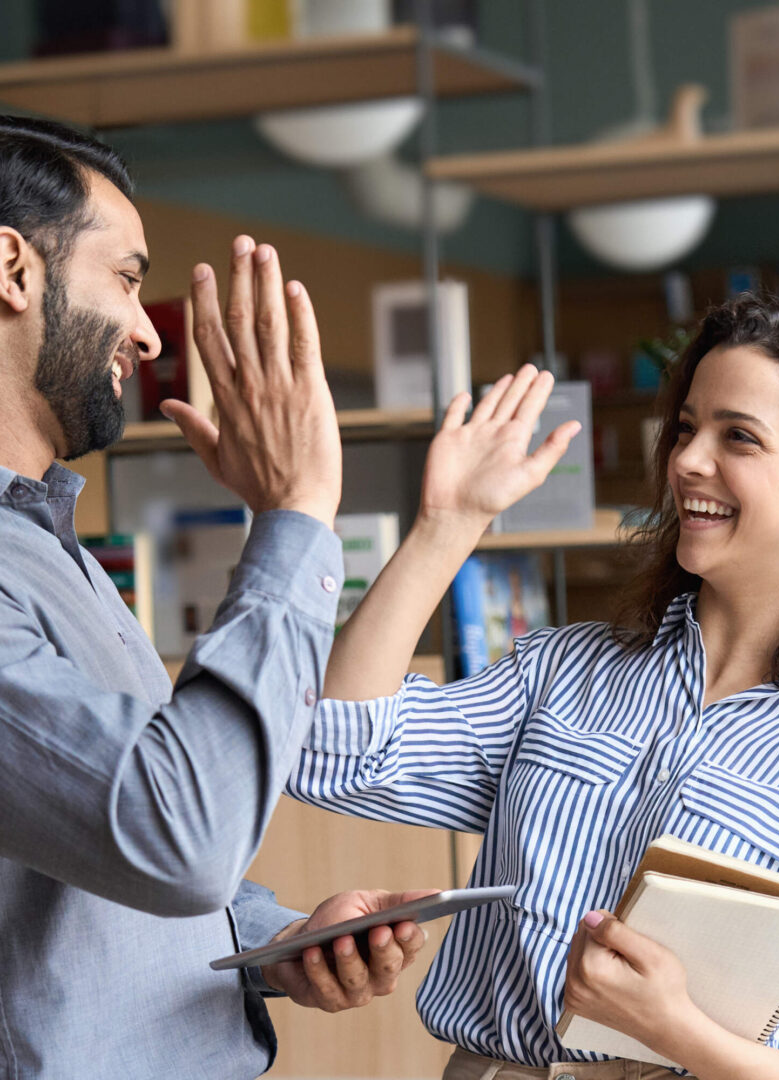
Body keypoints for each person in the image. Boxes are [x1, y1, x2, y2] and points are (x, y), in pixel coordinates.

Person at [286, 297, 779, 1080]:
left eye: (738, 435)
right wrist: (446, 524)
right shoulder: (560, 672)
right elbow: (331, 754)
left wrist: (677, 1031)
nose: (688, 460)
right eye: (686, 427)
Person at [0, 113, 429, 1079]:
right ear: (13, 269)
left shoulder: (45, 542)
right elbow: (179, 837)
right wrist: (295, 512)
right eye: (125, 277)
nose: (149, 334)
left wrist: (274, 937)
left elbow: (110, 827)